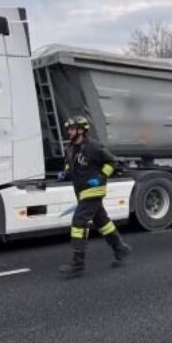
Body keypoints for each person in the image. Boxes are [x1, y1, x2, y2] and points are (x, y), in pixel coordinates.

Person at [57, 115, 131, 277]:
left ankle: (78, 264)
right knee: (103, 223)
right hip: (81, 191)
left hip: (94, 191)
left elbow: (112, 162)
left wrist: (100, 178)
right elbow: (71, 167)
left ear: (81, 130)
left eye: (71, 129)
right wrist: (65, 173)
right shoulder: (70, 148)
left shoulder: (93, 147)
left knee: (79, 222)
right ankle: (120, 248)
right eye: (68, 129)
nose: (69, 132)